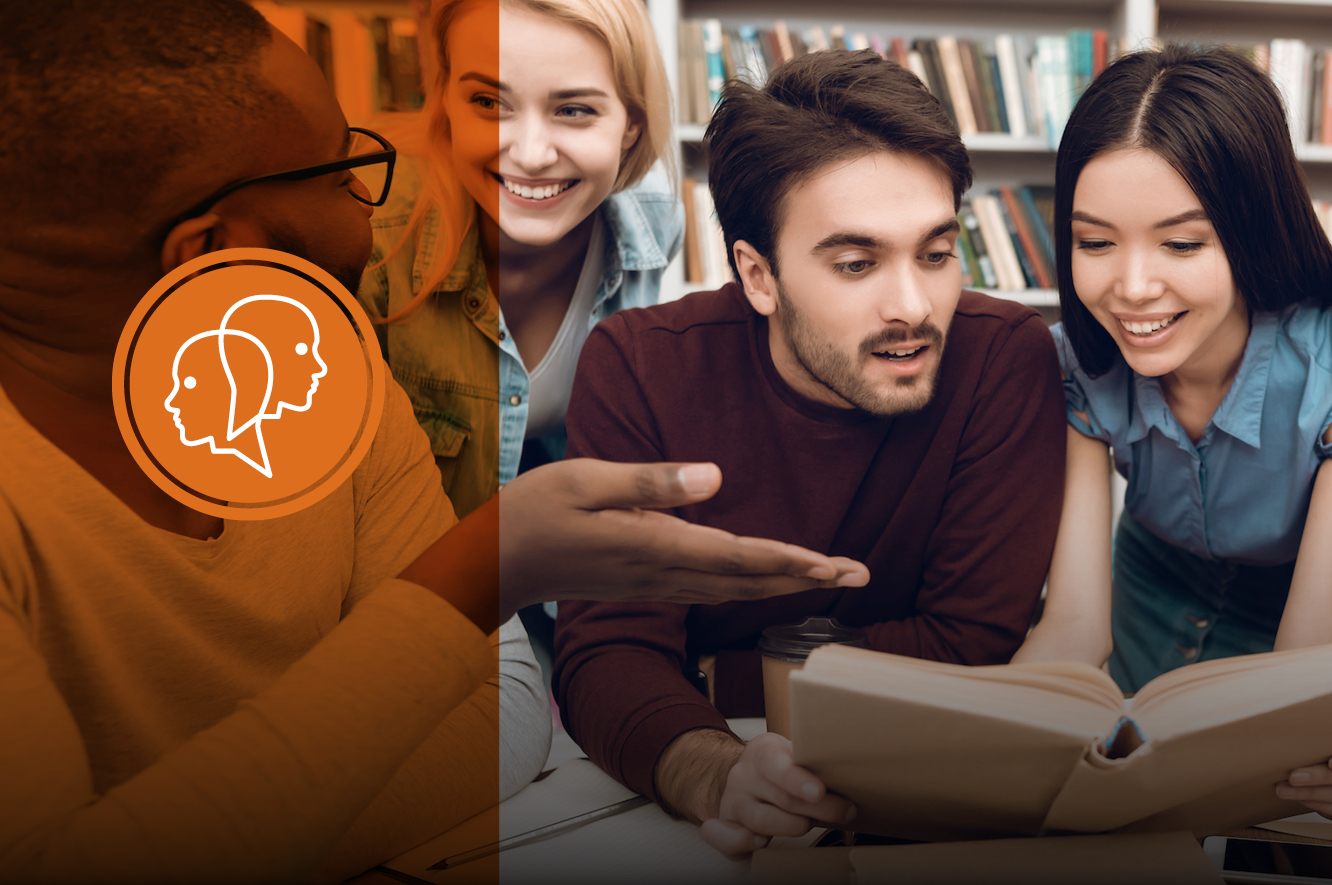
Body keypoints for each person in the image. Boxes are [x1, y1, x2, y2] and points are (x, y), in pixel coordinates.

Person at [0, 2, 862, 878]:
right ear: (208, 255)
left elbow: (503, 713)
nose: (373, 210)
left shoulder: (338, 386)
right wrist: (482, 568)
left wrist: (223, 816)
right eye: (345, 174)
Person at [550, 49, 1067, 857]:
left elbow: (970, 643)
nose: (913, 306)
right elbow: (607, 651)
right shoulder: (639, 365)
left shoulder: (1006, 356)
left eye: (936, 253)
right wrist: (717, 772)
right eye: (857, 263)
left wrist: (714, 674)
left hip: (922, 786)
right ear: (758, 276)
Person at [1007, 44, 1332, 826]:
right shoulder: (1077, 358)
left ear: (1251, 232)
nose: (1131, 288)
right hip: (1145, 585)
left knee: (1255, 804)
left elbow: (1302, 662)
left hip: (1284, 617)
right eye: (1095, 242)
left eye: (1182, 243)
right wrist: (987, 736)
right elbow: (1072, 627)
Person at [364, 0, 682, 519]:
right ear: (445, 97)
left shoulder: (656, 221)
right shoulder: (370, 243)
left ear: (632, 124)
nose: (532, 156)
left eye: (574, 110)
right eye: (489, 102)